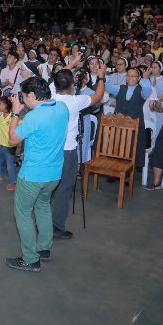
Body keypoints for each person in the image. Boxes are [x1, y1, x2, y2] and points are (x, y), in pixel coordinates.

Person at [5, 77, 69, 272]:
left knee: (22, 214)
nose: (23, 101)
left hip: (33, 175)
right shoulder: (62, 108)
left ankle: (31, 259)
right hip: (54, 173)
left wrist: (15, 112)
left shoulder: (34, 117)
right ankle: (44, 249)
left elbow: (13, 139)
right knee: (42, 207)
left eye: (24, 97)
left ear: (32, 95)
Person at [50, 62, 106, 237]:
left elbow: (58, 77)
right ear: (72, 86)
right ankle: (56, 227)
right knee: (64, 187)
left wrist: (72, 62)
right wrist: (102, 76)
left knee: (47, 186)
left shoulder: (49, 95)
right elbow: (97, 97)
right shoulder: (75, 102)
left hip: (49, 150)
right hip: (67, 151)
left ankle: (41, 221)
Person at [105, 66, 152, 168]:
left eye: (134, 76)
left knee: (132, 149)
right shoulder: (121, 88)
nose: (131, 78)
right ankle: (116, 168)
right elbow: (107, 86)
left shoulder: (142, 90)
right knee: (117, 146)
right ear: (126, 77)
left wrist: (145, 78)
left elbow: (148, 89)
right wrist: (105, 74)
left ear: (138, 78)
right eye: (129, 76)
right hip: (119, 124)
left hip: (134, 125)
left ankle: (129, 171)